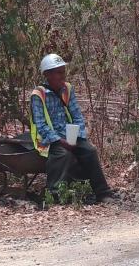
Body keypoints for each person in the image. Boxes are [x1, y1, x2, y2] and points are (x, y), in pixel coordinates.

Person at [29, 54, 114, 203]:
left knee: (90, 151)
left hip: (69, 136)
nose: (63, 76)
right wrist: (60, 141)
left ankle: (102, 193)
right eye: (58, 73)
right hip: (48, 140)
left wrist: (78, 136)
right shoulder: (39, 94)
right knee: (63, 155)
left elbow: (77, 116)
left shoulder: (67, 89)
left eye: (63, 72)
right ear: (47, 75)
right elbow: (41, 125)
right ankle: (54, 195)